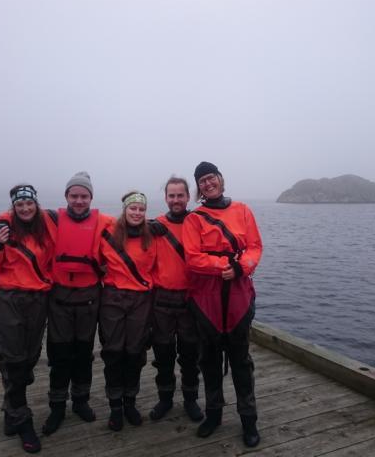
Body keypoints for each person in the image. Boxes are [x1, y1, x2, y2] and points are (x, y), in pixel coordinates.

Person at [181, 162, 263, 448]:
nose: (207, 183)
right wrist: (221, 266)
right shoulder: (194, 220)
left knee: (241, 361)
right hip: (207, 298)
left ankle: (248, 419)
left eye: (211, 178)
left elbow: (254, 247)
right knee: (210, 360)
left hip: (239, 294)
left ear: (220, 179)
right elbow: (192, 257)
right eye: (202, 181)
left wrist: (240, 268)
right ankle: (213, 414)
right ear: (198, 187)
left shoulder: (242, 210)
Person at [0, 184, 56, 454]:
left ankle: (11, 411)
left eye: (29, 203)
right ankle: (24, 422)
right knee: (14, 362)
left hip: (38, 301)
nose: (25, 208)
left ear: (36, 204)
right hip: (9, 299)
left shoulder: (45, 227)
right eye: (19, 204)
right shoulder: (1, 230)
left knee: (30, 357)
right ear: (13, 206)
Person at [42, 172, 114, 436]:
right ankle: (57, 406)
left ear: (91, 198)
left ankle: (81, 401)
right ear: (66, 197)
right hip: (59, 298)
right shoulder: (51, 219)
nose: (79, 201)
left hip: (89, 298)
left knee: (83, 354)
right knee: (60, 356)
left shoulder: (104, 221)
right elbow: (17, 214)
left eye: (84, 196)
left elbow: (135, 223)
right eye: (74, 196)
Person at [99, 191, 156, 431]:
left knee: (135, 352)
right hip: (113, 297)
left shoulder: (152, 236)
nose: (136, 213)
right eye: (132, 208)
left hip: (141, 300)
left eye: (141, 209)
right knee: (113, 352)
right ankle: (115, 407)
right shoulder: (108, 233)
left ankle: (130, 402)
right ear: (124, 210)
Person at [148, 177, 203, 422]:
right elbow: (126, 227)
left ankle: (190, 400)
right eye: (171, 196)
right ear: (166, 198)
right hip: (162, 301)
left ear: (188, 197)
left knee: (190, 355)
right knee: (163, 355)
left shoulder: (198, 222)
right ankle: (165, 399)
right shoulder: (156, 226)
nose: (176, 200)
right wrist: (148, 225)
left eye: (180, 195)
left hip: (190, 300)